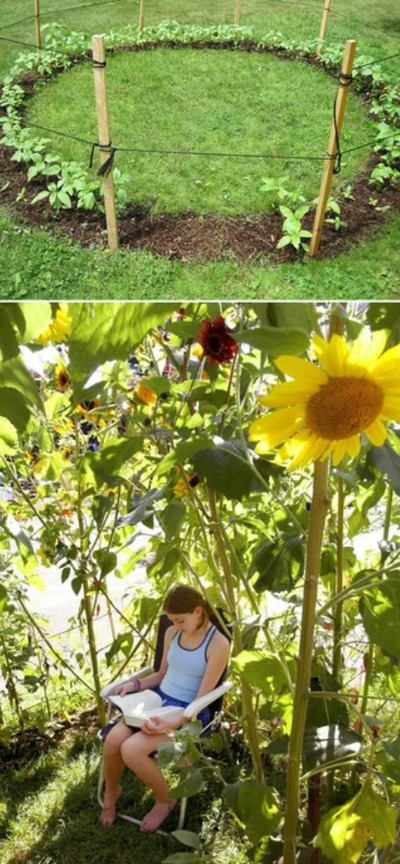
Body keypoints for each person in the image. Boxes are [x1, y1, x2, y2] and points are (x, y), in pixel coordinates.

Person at [100, 585, 230, 833]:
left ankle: (165, 799)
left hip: (189, 712)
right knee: (113, 741)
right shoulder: (172, 633)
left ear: (198, 611)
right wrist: (134, 685)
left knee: (131, 750)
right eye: (172, 620)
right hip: (157, 701)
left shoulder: (218, 644)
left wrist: (174, 722)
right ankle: (112, 791)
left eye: (180, 620)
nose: (175, 625)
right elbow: (161, 674)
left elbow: (202, 698)